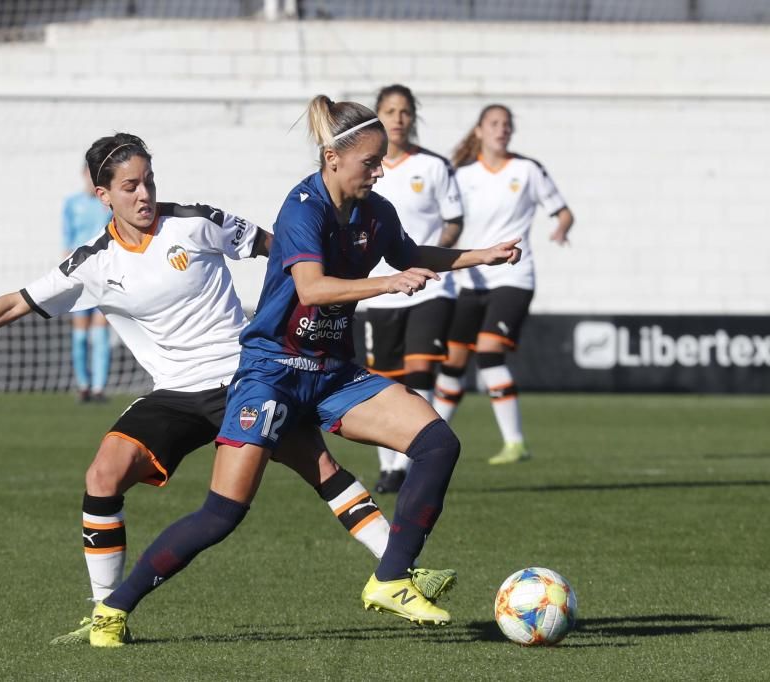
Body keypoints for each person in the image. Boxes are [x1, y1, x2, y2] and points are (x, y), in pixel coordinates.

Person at [0, 133, 455, 647]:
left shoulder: (197, 222)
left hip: (247, 376)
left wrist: (319, 300)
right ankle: (104, 611)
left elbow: (282, 248)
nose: (145, 194)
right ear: (103, 195)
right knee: (103, 474)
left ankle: (399, 572)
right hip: (176, 394)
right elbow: (15, 301)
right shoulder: (93, 263)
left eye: (149, 181)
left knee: (321, 469)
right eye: (130, 186)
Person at [88, 98, 521, 647]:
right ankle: (113, 609)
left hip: (331, 372)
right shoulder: (302, 208)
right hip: (271, 374)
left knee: (438, 443)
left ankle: (391, 579)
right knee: (222, 513)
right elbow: (312, 288)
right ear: (332, 157)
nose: (379, 170)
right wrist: (386, 284)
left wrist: (479, 255)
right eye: (370, 161)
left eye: (381, 160)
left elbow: (411, 252)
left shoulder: (375, 211)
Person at [435, 104, 574, 465]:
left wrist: (560, 227)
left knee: (488, 351)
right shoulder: (461, 176)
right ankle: (430, 437)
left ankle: (515, 443)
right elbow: (446, 221)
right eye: (494, 124)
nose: (502, 129)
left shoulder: (527, 170)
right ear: (479, 131)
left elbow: (563, 211)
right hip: (471, 279)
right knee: (452, 361)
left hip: (513, 275)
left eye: (506, 124)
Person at [363, 84, 464, 494]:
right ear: (377, 116)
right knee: (385, 379)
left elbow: (454, 219)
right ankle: (389, 466)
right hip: (380, 289)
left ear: (413, 116)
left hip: (430, 288)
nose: (398, 118)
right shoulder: (365, 167)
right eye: (390, 110)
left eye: (405, 111)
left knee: (421, 372)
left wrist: (431, 254)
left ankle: (411, 460)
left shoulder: (435, 166)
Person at [62, 166, 113, 402]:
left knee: (100, 333)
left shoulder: (108, 205)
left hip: (104, 275)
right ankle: (83, 385)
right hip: (80, 275)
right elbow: (67, 240)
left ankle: (98, 388)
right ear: (84, 175)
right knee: (80, 335)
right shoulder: (72, 204)